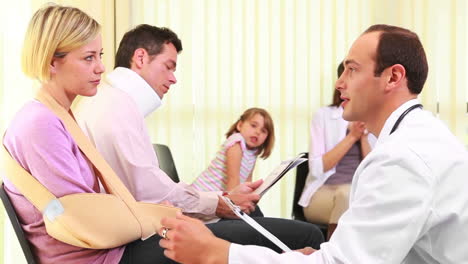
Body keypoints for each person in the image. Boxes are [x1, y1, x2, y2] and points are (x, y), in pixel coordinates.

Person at [157, 24, 468, 264]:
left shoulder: (403, 158)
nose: (339, 82)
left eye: (352, 69)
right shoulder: (416, 137)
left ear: (392, 77)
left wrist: (219, 252)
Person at [76, 24, 324, 258]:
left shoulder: (108, 101)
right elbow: (152, 193)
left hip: (137, 231)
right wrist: (218, 203)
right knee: (308, 234)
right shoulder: (116, 108)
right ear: (140, 58)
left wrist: (221, 200)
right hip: (133, 243)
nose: (174, 79)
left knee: (251, 217)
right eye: (169, 66)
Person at [2, 4, 124, 263]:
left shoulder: (58, 116)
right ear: (51, 62)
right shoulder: (40, 124)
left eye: (99, 55)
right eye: (89, 57)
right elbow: (83, 218)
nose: (101, 67)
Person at [299, 63, 376, 239]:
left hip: (358, 194)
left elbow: (373, 170)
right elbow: (317, 168)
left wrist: (363, 137)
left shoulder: (372, 117)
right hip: (324, 192)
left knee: (354, 197)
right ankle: (333, 252)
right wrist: (352, 137)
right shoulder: (324, 116)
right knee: (346, 195)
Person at [191, 107, 274, 192]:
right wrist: (236, 203)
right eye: (253, 126)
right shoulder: (237, 142)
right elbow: (233, 180)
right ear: (240, 125)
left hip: (217, 198)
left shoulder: (253, 152)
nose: (258, 132)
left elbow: (247, 182)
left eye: (263, 131)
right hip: (201, 193)